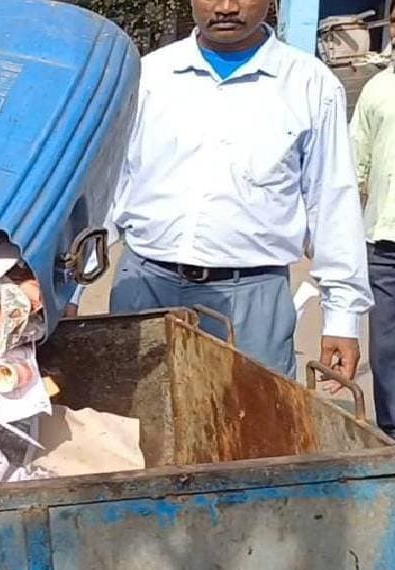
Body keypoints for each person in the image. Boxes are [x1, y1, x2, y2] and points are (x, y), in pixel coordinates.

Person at [74, 0, 372, 381]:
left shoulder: (309, 85)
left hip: (252, 300)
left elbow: (332, 201)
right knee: (132, 430)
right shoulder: (150, 76)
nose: (227, 7)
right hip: (145, 288)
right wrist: (71, 289)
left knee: (252, 429)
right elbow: (108, 188)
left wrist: (343, 318)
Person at [351, 23, 395, 436]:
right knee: (386, 348)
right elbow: (354, 165)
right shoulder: (378, 89)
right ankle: (391, 432)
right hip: (384, 245)